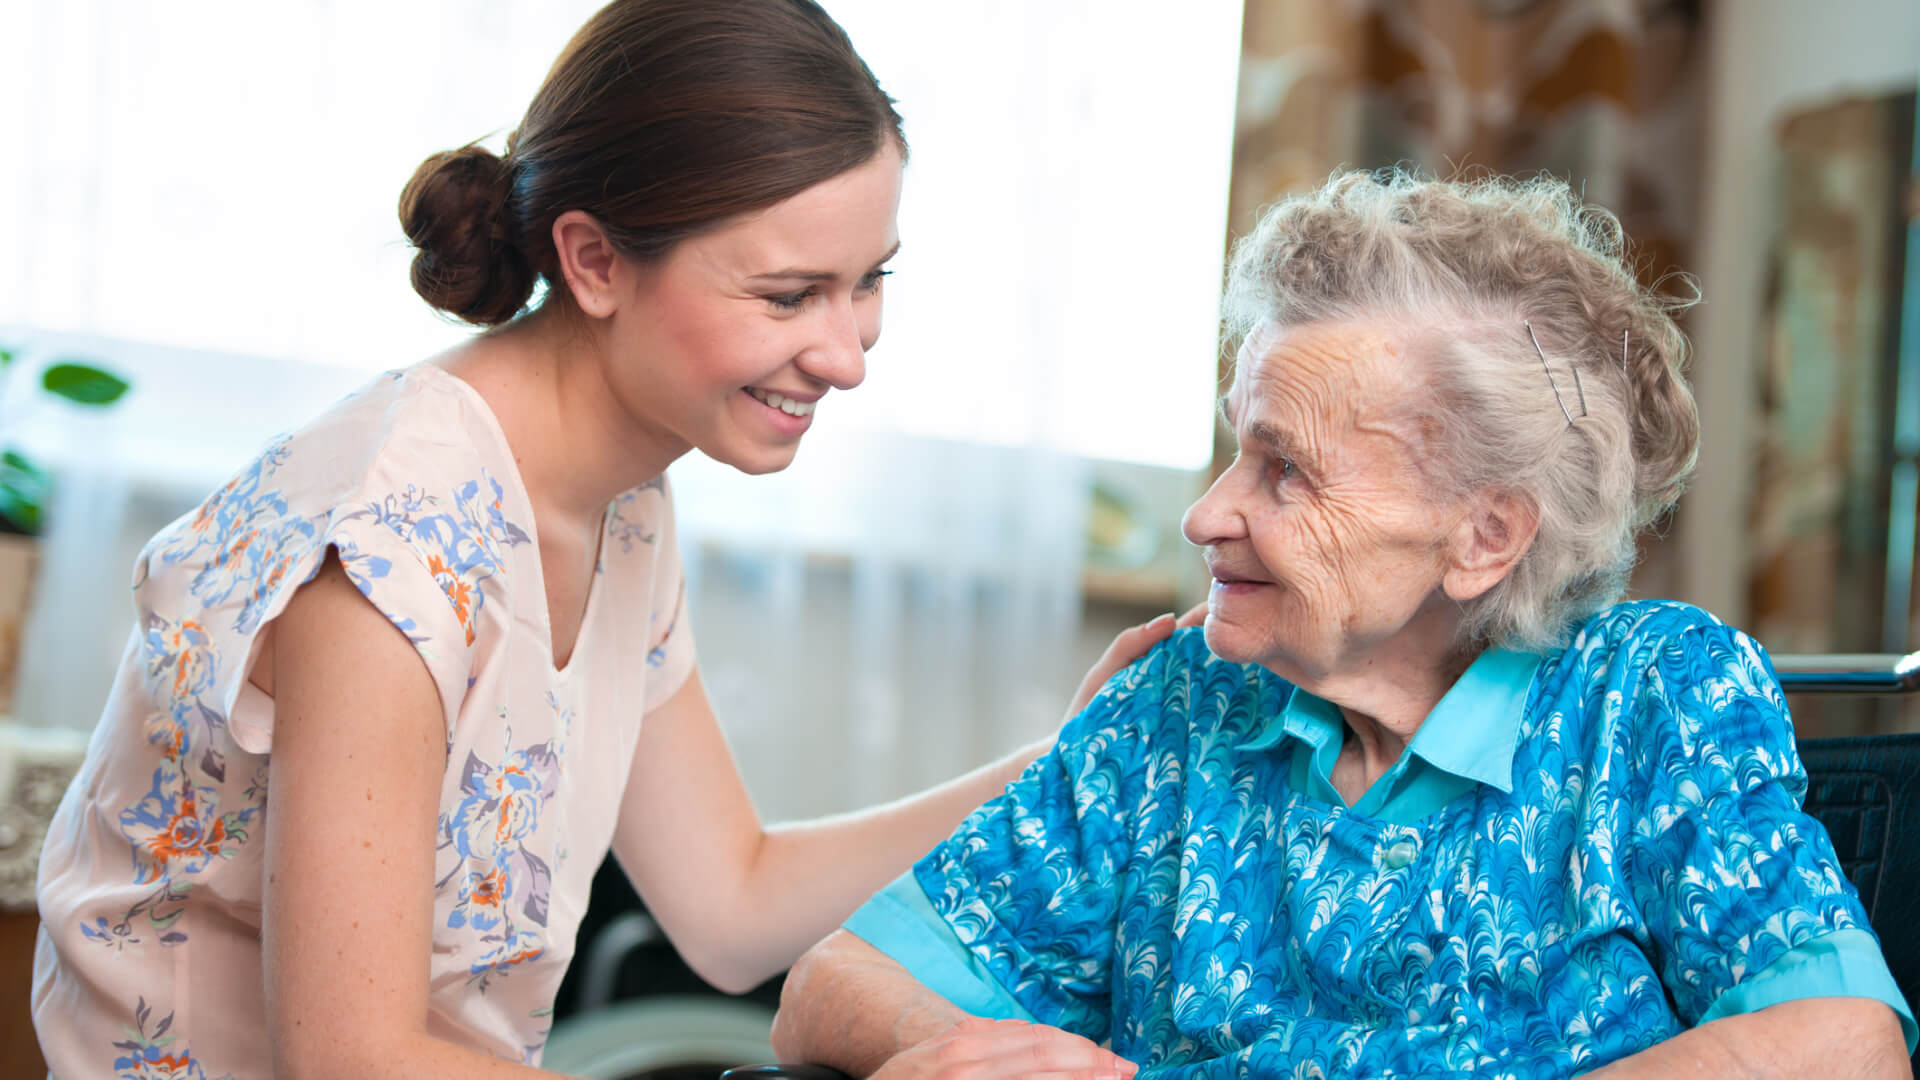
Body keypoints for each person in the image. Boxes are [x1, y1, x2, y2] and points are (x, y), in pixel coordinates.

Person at [29, 2, 1185, 1076]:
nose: (847, 354)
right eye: (789, 296)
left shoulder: (620, 498)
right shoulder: (389, 552)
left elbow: (730, 906)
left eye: (866, 282)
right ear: (592, 261)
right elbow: (355, 1064)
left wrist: (1072, 756)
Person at [771, 170, 1918, 1079]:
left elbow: (1836, 1043)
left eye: (1286, 472)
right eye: (1238, 447)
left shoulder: (1650, 696)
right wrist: (958, 1061)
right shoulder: (1182, 704)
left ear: (1484, 538)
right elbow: (831, 984)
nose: (1207, 513)